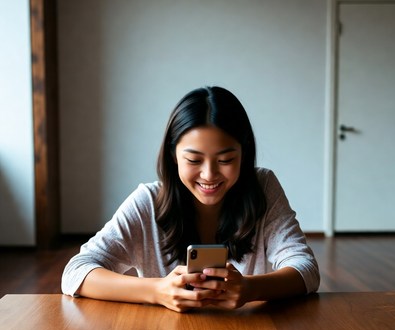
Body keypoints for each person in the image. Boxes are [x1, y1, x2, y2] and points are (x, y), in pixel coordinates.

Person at [61, 86, 320, 312]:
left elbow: (305, 268)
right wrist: (157, 291)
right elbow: (75, 272)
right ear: (173, 156)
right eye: (194, 160)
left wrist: (250, 289)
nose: (209, 175)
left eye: (226, 160)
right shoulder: (148, 202)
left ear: (244, 153)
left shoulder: (262, 187)